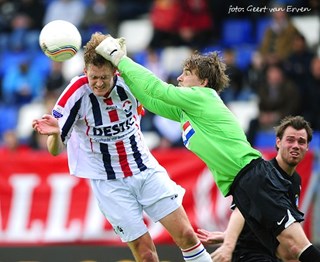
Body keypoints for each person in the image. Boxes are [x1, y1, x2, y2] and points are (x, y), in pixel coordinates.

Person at [94, 34, 320, 262]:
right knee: (276, 252)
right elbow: (151, 100)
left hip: (255, 177)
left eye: (187, 74)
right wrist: (120, 73)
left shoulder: (203, 97)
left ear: (203, 82)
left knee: (294, 246)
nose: (180, 78)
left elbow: (158, 88)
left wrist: (120, 58)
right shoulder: (187, 111)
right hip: (242, 187)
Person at [32, 32, 211, 262]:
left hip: (145, 170)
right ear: (85, 71)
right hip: (109, 184)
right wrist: (56, 134)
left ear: (115, 72)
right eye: (93, 76)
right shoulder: (75, 92)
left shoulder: (130, 82)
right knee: (145, 254)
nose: (97, 83)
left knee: (186, 235)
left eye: (104, 77)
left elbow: (161, 98)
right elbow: (55, 150)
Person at [197, 115, 311, 262]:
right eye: (290, 140)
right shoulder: (264, 174)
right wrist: (228, 245)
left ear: (307, 147)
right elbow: (241, 211)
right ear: (278, 142)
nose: (296, 145)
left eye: (301, 141)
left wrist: (227, 235)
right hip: (248, 253)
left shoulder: (296, 181)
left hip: (269, 253)